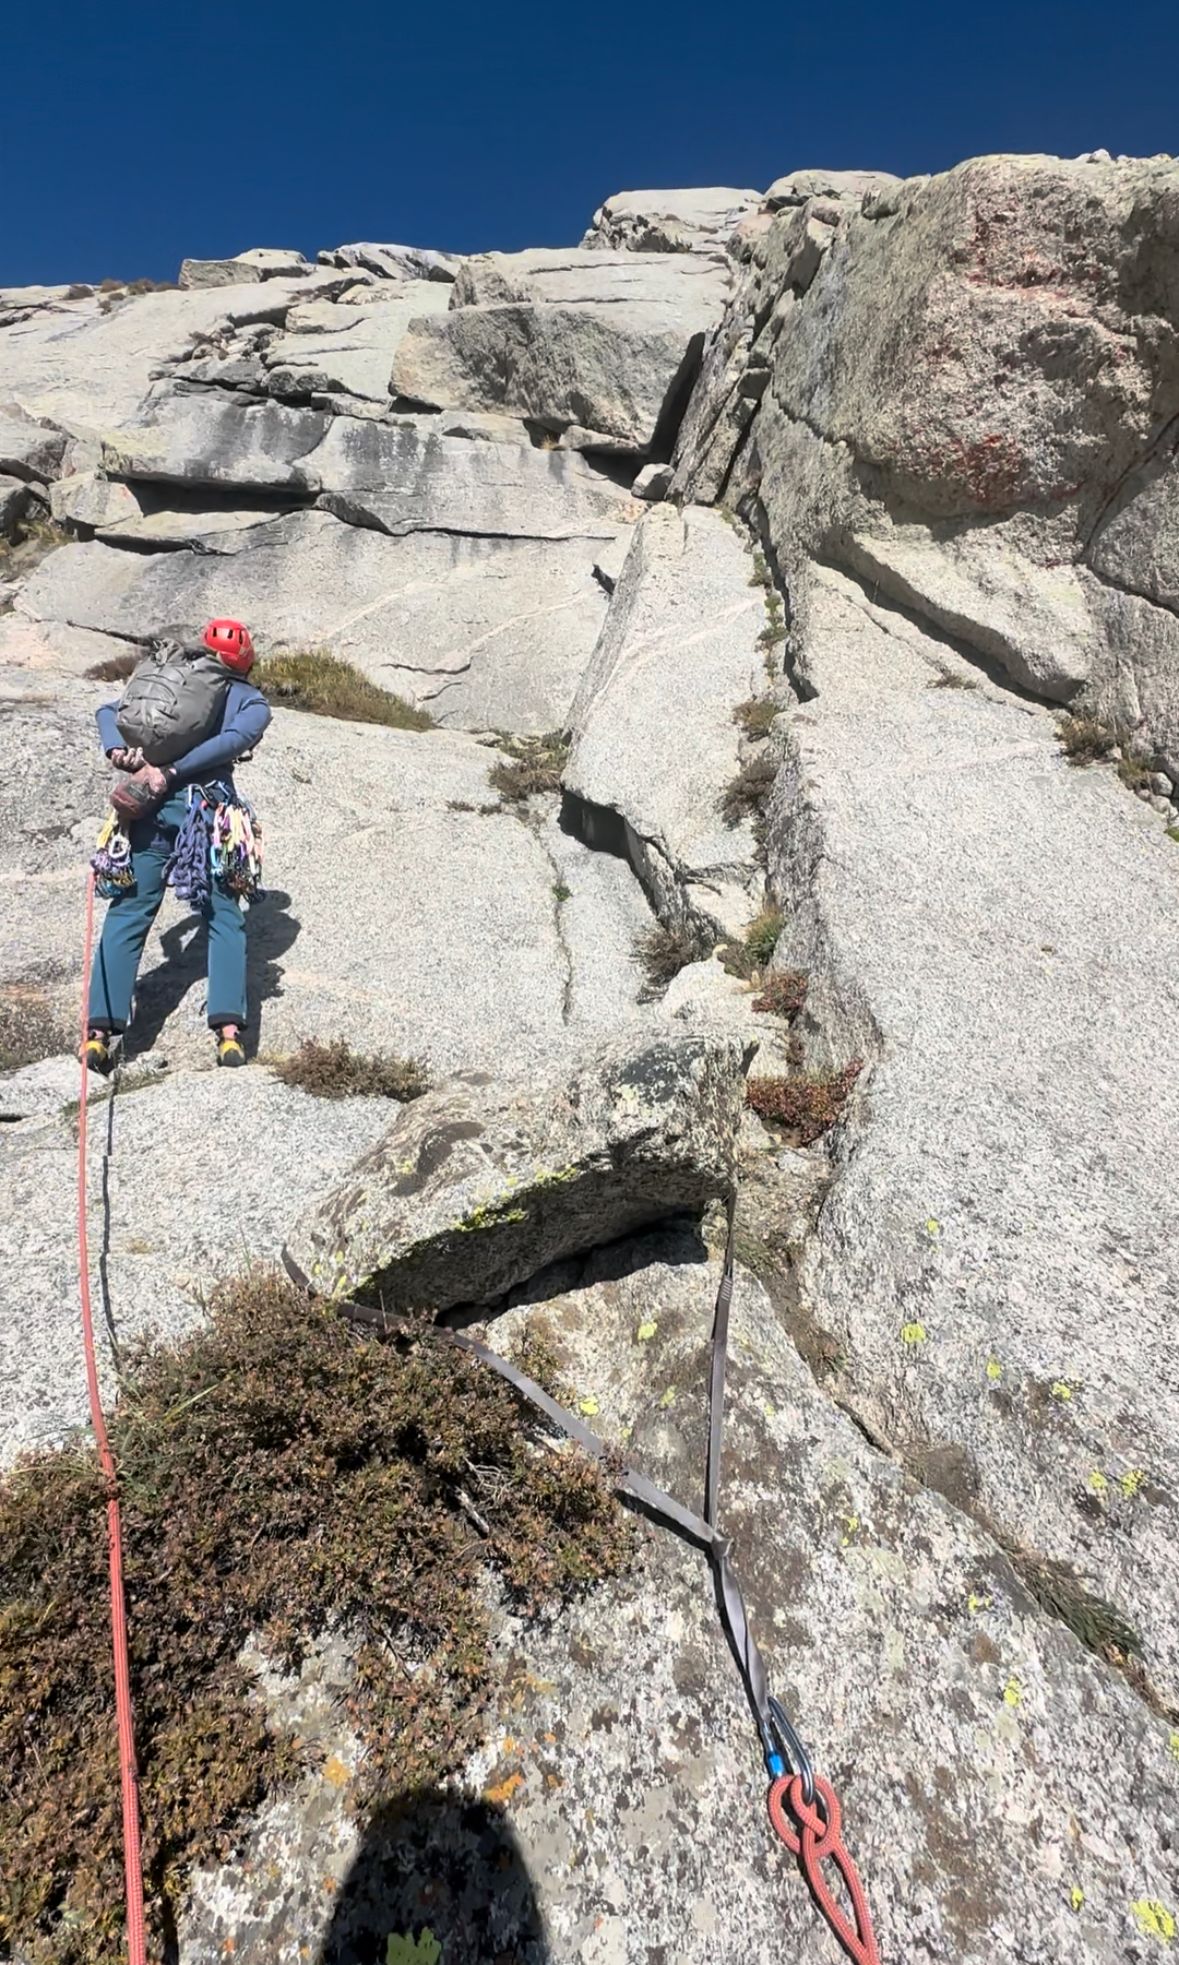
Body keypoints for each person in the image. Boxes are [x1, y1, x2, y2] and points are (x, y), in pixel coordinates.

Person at [83, 619, 271, 1073]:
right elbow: (235, 740)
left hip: (147, 807)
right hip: (206, 813)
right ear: (245, 661)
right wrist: (177, 771)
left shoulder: (168, 683)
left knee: (129, 908)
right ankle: (228, 1032)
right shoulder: (248, 698)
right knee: (223, 914)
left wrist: (118, 752)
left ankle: (99, 1032)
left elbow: (108, 712)